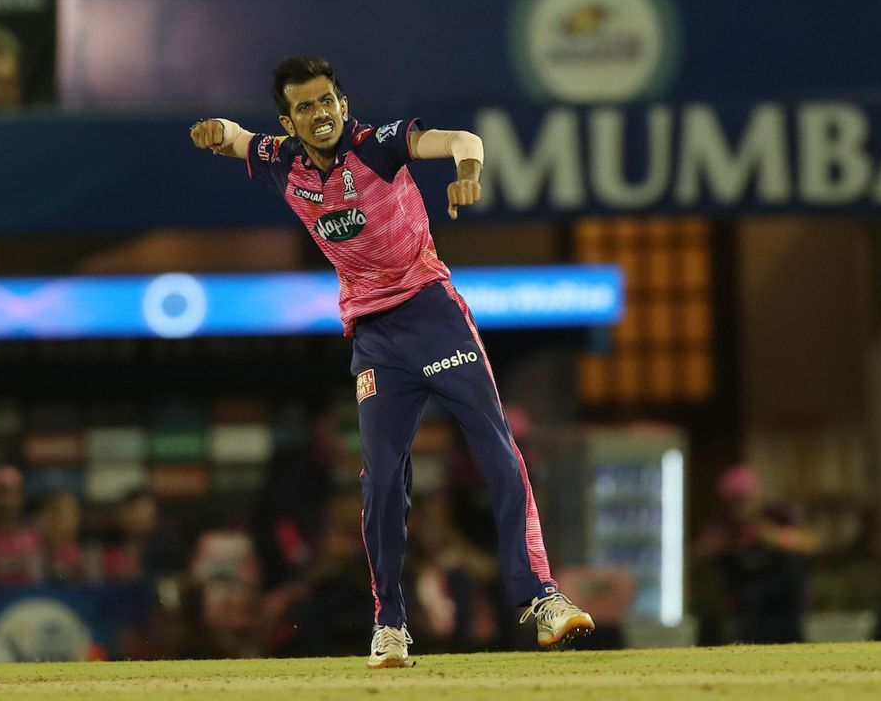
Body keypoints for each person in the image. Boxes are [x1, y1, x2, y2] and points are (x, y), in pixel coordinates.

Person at [189, 55, 593, 668]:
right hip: (374, 337)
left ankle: (541, 596)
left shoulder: (376, 145)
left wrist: (469, 170)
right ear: (288, 120)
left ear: (342, 105)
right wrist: (217, 131)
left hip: (432, 313)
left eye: (327, 101)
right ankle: (390, 626)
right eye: (304, 107)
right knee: (381, 481)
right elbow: (237, 138)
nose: (318, 114)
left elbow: (463, 137)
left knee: (496, 448)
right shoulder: (281, 162)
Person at [695, 465, 820, 644]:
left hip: (783, 609)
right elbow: (700, 552)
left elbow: (811, 543)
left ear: (756, 495)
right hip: (742, 612)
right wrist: (727, 541)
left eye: (744, 499)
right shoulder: (723, 525)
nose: (740, 507)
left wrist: (773, 536)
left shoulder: (777, 515)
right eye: (734, 502)